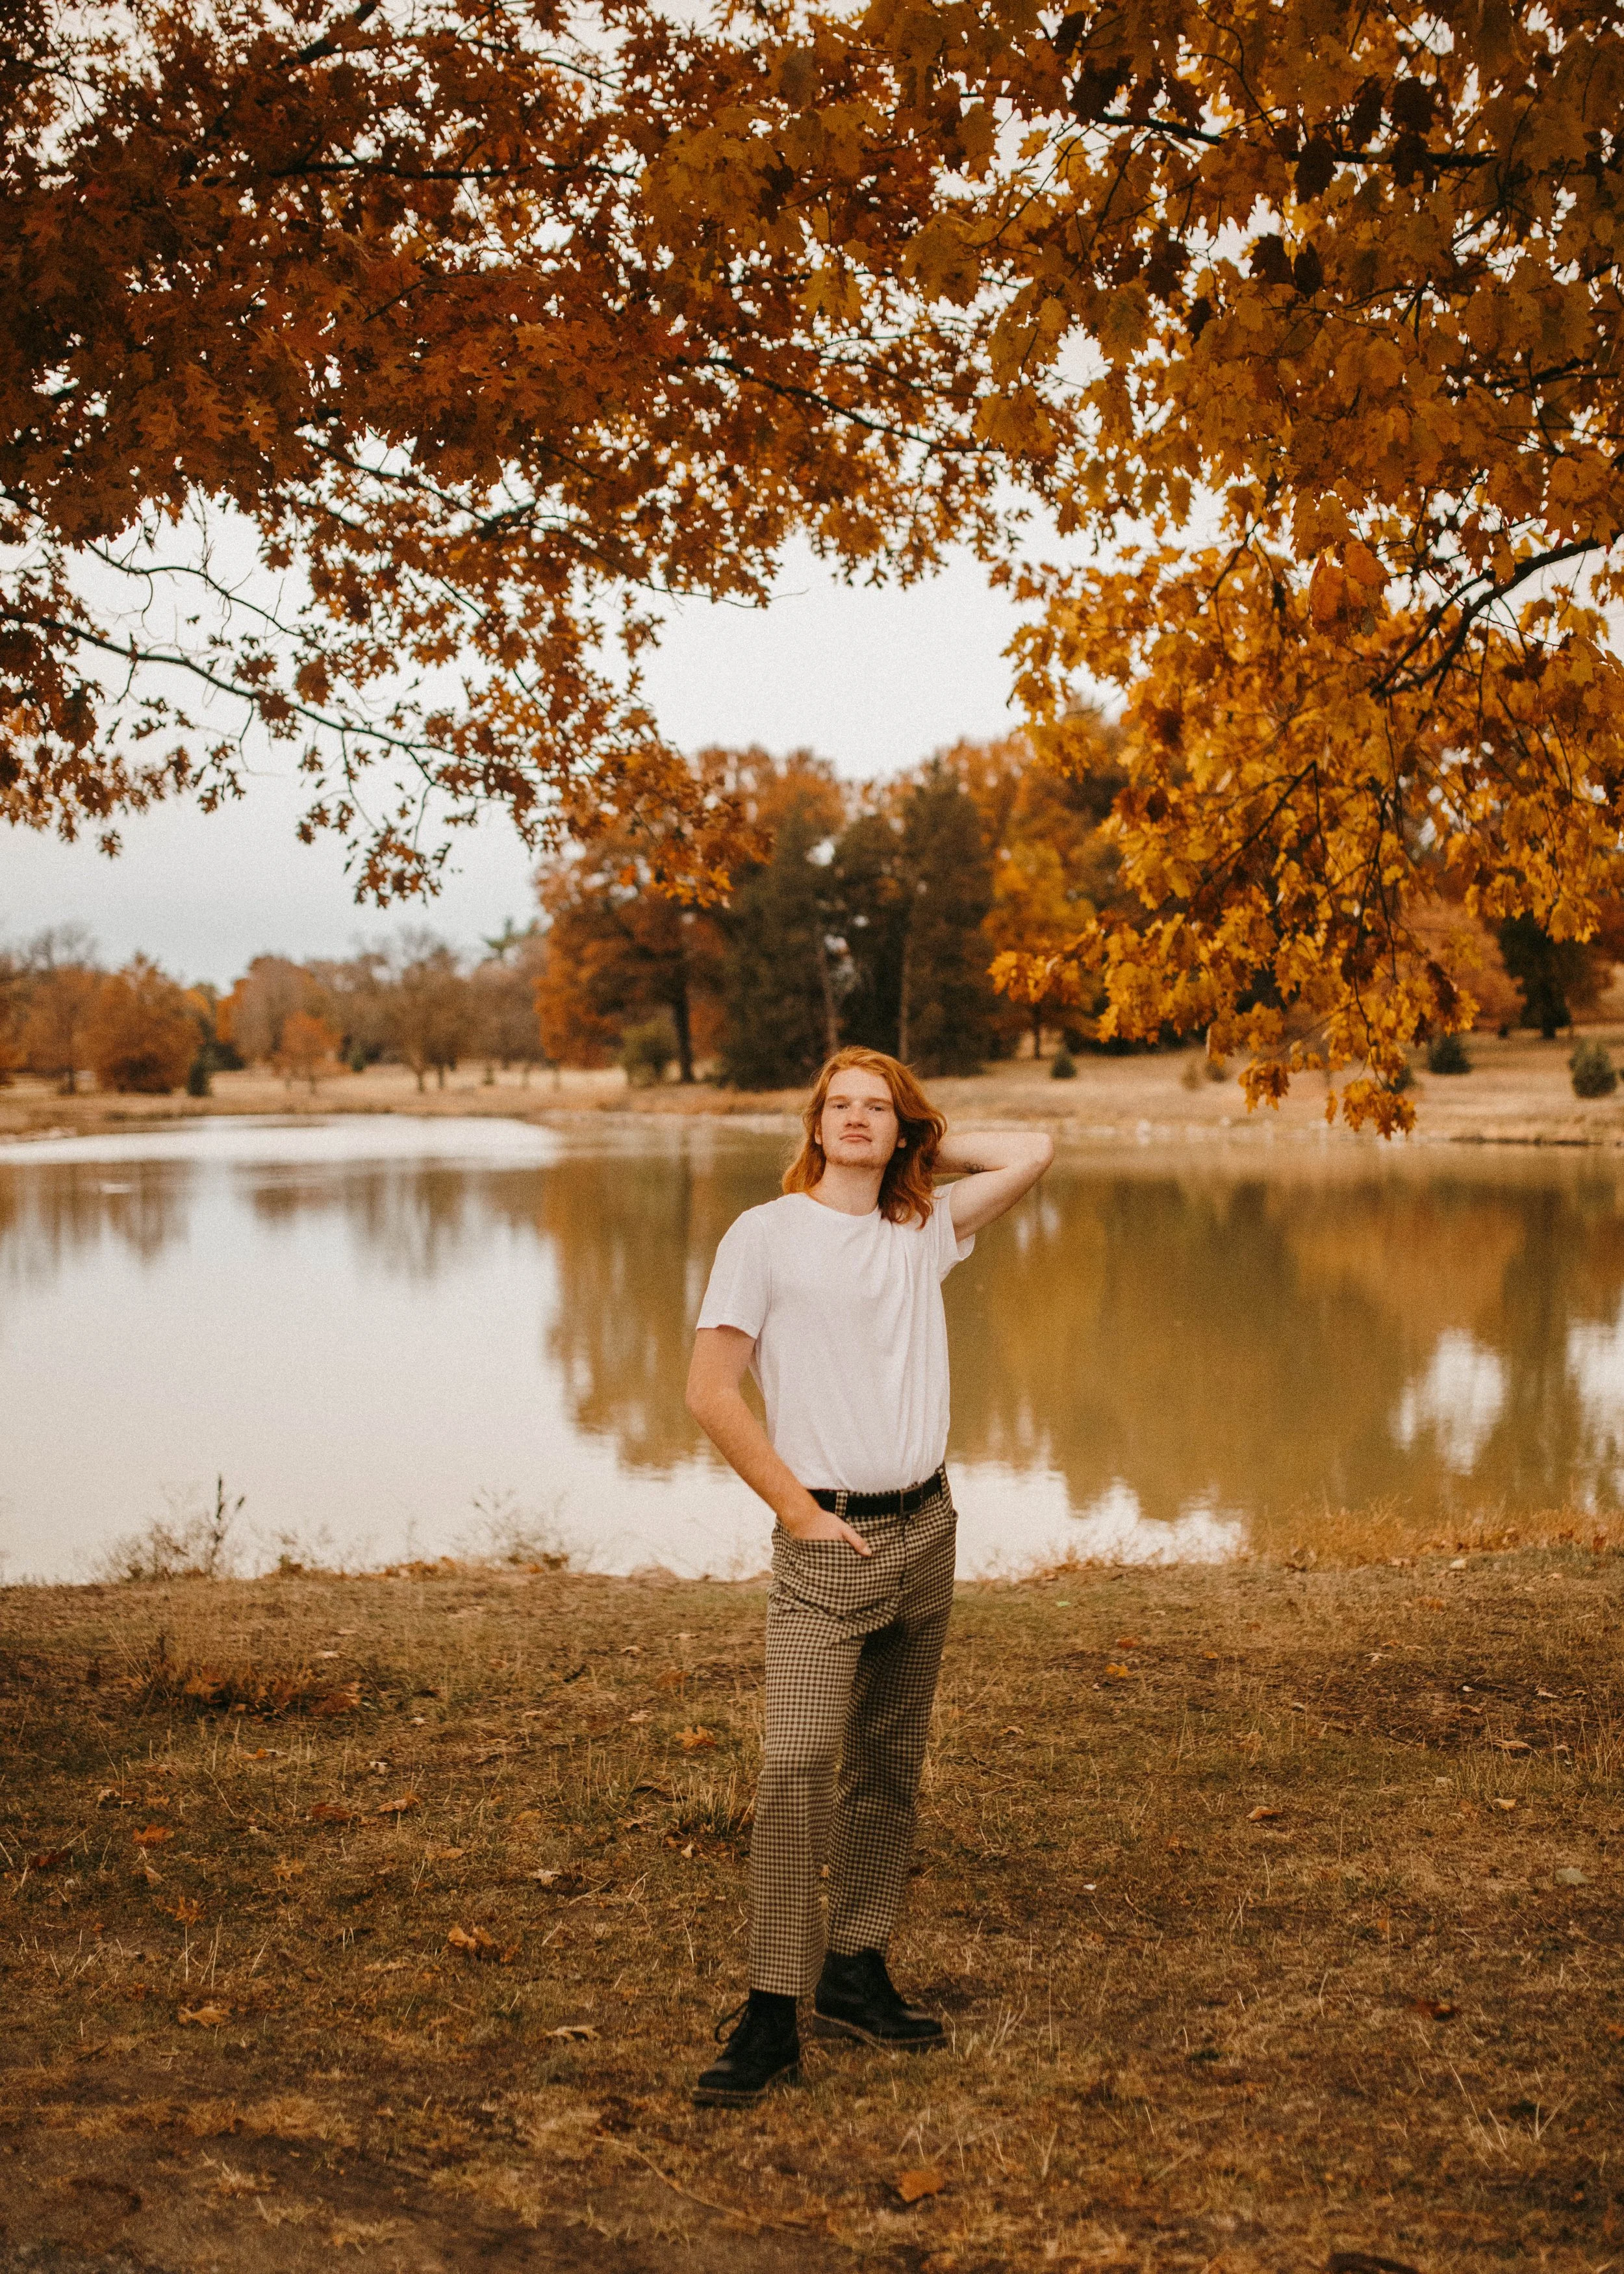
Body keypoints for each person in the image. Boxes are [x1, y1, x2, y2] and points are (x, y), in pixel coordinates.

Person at [684, 1045, 1054, 2106]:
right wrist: (797, 1515)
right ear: (813, 1125)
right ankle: (769, 2014)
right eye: (839, 1106)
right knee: (798, 1765)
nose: (855, 1119)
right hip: (827, 1546)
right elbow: (712, 1391)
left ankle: (855, 1969)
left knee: (889, 1764)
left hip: (926, 1530)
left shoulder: (924, 1229)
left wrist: (928, 1137)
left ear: (901, 1133)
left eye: (876, 1110)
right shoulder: (764, 1236)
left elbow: (1037, 1148)